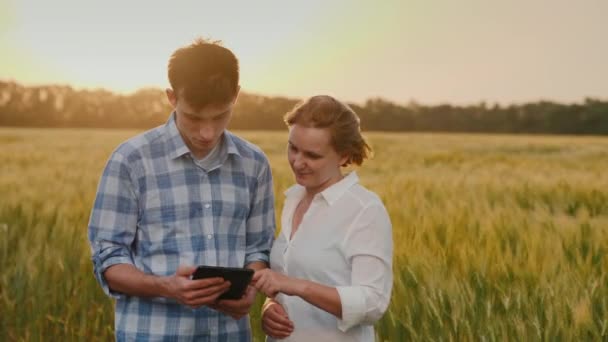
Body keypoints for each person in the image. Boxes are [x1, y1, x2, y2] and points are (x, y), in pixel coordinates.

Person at [88, 38, 276, 341]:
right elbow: (108, 258)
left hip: (229, 334)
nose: (207, 132)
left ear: (236, 96)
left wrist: (251, 287)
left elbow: (258, 248)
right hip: (152, 333)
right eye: (194, 117)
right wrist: (166, 287)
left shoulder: (254, 164)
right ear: (172, 97)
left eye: (220, 116)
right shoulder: (131, 161)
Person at [252, 95, 393, 341]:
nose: (297, 162)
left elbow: (373, 303)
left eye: (312, 155)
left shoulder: (364, 210)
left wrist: (296, 286)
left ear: (344, 156)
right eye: (293, 148)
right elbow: (284, 283)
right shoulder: (293, 199)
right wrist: (270, 306)